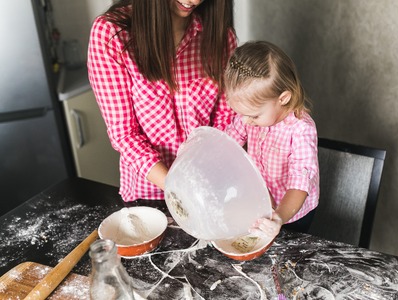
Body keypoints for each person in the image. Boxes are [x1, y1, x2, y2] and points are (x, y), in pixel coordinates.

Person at [87, 0, 237, 202]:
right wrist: (180, 191)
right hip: (150, 195)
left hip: (208, 186)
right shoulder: (112, 33)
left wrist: (205, 180)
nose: (195, 0)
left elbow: (225, 119)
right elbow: (124, 134)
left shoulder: (219, 36)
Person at [224, 41, 319, 237]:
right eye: (240, 114)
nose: (245, 121)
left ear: (283, 98)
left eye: (254, 116)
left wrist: (279, 217)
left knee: (284, 256)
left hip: (293, 213)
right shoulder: (251, 114)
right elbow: (228, 140)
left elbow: (299, 185)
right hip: (260, 200)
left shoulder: (301, 129)